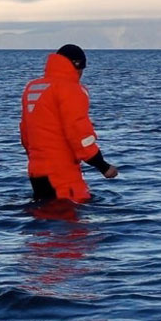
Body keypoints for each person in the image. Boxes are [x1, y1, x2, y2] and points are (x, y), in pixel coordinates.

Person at [19, 44, 118, 203]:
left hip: (36, 171)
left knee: (42, 221)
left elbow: (25, 133)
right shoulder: (70, 89)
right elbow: (79, 133)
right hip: (62, 174)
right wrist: (103, 166)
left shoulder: (33, 88)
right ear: (77, 66)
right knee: (71, 222)